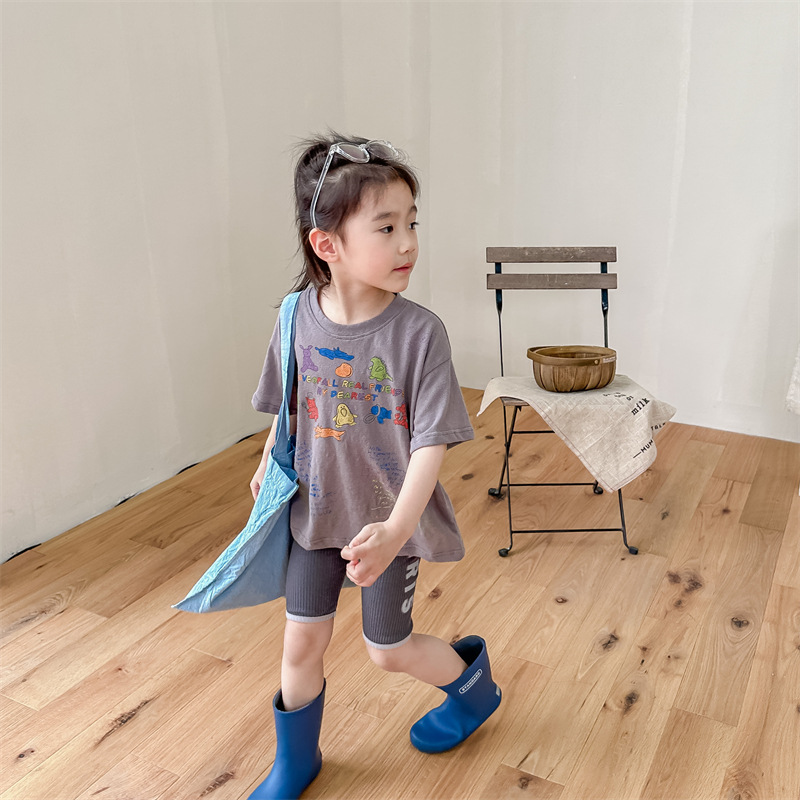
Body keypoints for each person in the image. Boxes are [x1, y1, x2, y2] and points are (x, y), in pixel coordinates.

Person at [246, 133, 501, 800]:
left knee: (388, 650)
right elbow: (292, 401)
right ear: (326, 244)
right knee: (301, 643)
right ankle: (295, 762)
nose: (408, 243)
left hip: (390, 521)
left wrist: (394, 531)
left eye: (412, 223)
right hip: (314, 513)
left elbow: (431, 445)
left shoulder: (420, 333)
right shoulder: (294, 317)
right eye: (387, 227)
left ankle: (474, 690)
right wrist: (268, 459)